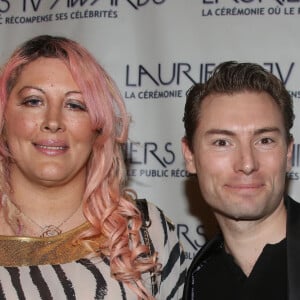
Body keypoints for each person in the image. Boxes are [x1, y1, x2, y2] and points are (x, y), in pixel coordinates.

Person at [0, 35, 186, 300]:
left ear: (98, 126)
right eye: (33, 101)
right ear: (4, 117)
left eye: (75, 105)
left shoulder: (145, 231)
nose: (53, 121)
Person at [181, 61, 298, 300]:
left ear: (288, 154)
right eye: (222, 143)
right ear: (190, 156)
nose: (247, 164)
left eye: (264, 140)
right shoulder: (197, 277)